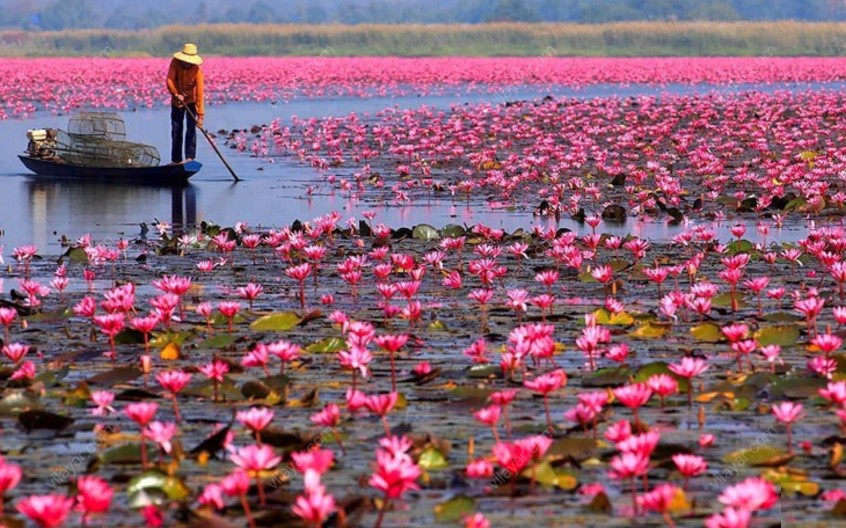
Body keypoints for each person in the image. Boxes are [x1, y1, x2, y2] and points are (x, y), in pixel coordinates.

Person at [167, 43, 204, 164]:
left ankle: (189, 158)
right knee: (176, 129)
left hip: (191, 101)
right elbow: (170, 80)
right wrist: (176, 94)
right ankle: (176, 160)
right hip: (177, 100)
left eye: (190, 61)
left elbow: (199, 94)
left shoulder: (197, 71)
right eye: (186, 61)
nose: (187, 63)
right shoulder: (175, 63)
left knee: (191, 129)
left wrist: (201, 116)